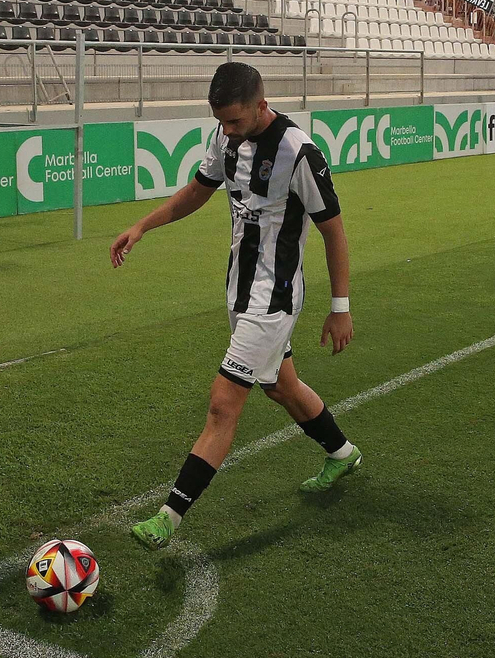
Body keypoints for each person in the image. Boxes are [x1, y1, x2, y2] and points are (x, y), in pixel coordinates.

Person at [111, 63, 359, 550]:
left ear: (262, 106)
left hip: (276, 295)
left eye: (236, 122)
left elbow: (334, 230)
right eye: (221, 122)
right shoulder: (225, 139)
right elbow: (195, 195)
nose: (228, 131)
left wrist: (340, 306)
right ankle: (343, 452)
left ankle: (168, 516)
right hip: (240, 290)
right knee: (281, 386)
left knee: (224, 404)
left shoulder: (298, 151)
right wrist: (142, 226)